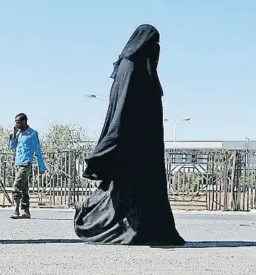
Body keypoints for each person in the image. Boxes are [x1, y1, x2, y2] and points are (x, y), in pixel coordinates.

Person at [74, 24, 185, 246]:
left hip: (143, 144)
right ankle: (106, 224)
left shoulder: (138, 64)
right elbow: (123, 108)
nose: (157, 49)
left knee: (136, 190)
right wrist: (110, 144)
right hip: (134, 143)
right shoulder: (132, 65)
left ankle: (145, 230)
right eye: (153, 44)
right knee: (129, 189)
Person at [9, 113, 47, 219]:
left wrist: (41, 167)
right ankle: (26, 211)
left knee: (16, 186)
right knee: (24, 188)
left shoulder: (32, 134)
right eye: (16, 123)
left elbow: (37, 151)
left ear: (25, 121)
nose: (17, 125)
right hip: (18, 163)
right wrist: (13, 136)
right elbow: (12, 147)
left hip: (26, 164)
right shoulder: (19, 134)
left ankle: (16, 211)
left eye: (19, 122)